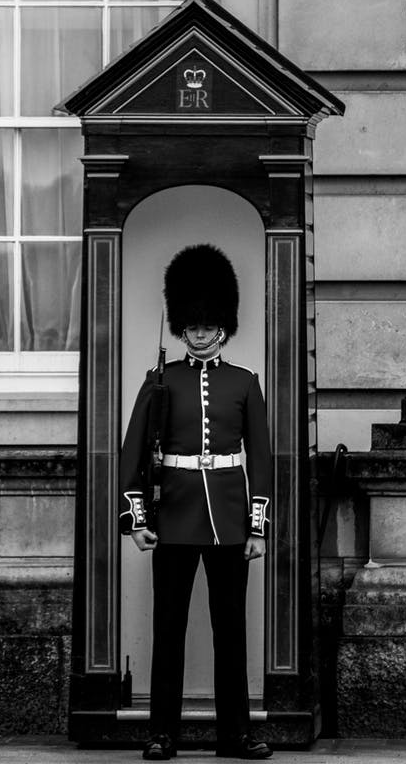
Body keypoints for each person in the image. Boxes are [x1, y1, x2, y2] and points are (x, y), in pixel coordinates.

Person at [119, 244, 273, 762]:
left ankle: (236, 734)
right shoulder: (160, 381)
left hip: (229, 521)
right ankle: (163, 732)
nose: (201, 332)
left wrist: (257, 527)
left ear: (222, 326)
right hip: (175, 521)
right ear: (182, 326)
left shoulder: (245, 383)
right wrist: (137, 518)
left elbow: (263, 460)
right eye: (194, 324)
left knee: (231, 632)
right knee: (170, 630)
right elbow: (132, 454)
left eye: (209, 324)